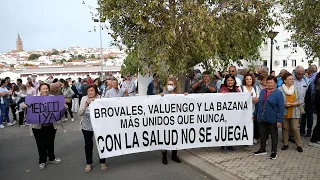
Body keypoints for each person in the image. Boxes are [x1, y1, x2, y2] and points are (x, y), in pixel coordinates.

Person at [22, 83, 64, 169]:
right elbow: (22, 105)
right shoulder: (34, 99)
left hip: (50, 125)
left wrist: (63, 107)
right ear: (40, 90)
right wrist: (23, 106)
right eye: (43, 89)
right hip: (37, 126)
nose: (45, 90)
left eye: (46, 88)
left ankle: (51, 158)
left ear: (49, 89)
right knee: (40, 144)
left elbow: (59, 109)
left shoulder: (53, 98)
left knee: (50, 142)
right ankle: (42, 160)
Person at [254, 76, 284, 160]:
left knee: (274, 135)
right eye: (268, 82)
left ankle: (274, 151)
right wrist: (255, 114)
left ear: (275, 83)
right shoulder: (263, 91)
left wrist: (280, 120)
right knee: (262, 134)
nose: (270, 84)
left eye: (272, 82)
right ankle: (262, 149)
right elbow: (259, 104)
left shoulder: (278, 93)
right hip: (262, 116)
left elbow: (281, 107)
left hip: (272, 117)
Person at [79, 84, 107, 173]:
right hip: (87, 124)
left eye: (92, 90)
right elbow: (80, 113)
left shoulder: (101, 98)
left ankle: (102, 162)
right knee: (88, 144)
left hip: (99, 124)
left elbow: (106, 110)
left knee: (101, 143)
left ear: (95, 91)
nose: (90, 92)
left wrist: (98, 102)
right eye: (88, 91)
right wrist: (85, 104)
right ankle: (89, 163)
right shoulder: (84, 98)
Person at [278, 73, 303, 152]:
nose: (292, 80)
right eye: (290, 79)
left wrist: (293, 104)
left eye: (292, 79)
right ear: (285, 80)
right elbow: (278, 101)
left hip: (295, 111)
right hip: (284, 111)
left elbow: (301, 100)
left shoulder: (296, 88)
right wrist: (284, 104)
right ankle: (285, 144)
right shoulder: (280, 89)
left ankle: (298, 145)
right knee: (285, 128)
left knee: (295, 128)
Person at [161, 78, 182, 165]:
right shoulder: (164, 95)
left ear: (175, 86)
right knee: (165, 138)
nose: (169, 86)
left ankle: (174, 156)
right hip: (165, 120)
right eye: (168, 84)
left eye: (171, 84)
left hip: (175, 120)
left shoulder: (178, 95)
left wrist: (186, 96)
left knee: (175, 138)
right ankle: (164, 157)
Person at [219, 74, 241, 151]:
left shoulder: (237, 89)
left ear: (234, 81)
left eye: (231, 80)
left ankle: (230, 145)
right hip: (225, 113)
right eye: (228, 80)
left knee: (232, 128)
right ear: (225, 81)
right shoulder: (222, 89)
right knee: (224, 128)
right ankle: (222, 144)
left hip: (234, 113)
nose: (230, 82)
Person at [240, 73, 260, 144]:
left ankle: (252, 137)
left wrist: (255, 99)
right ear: (244, 80)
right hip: (244, 110)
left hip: (253, 109)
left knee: (252, 124)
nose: (249, 80)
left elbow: (258, 98)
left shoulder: (255, 88)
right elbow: (240, 98)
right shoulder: (241, 88)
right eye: (247, 79)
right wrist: (250, 99)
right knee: (244, 124)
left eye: (250, 79)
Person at [303, 65, 318, 137]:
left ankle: (308, 131)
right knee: (308, 115)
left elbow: (312, 90)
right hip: (310, 99)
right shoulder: (315, 76)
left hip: (310, 99)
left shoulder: (312, 78)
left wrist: (312, 101)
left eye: (308, 70)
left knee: (308, 115)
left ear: (310, 71)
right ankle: (305, 130)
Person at [309, 72, 320, 147]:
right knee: (319, 122)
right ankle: (313, 140)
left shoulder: (317, 77)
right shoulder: (318, 79)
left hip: (317, 101)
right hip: (319, 101)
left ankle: (318, 138)